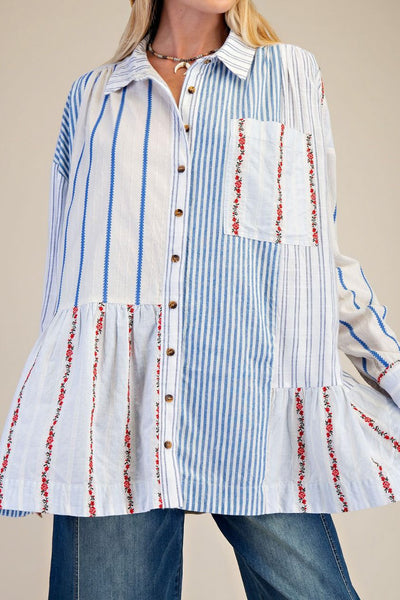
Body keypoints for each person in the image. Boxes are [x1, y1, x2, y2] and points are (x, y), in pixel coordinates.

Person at [2, 0, 400, 596]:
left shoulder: (290, 75)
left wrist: (388, 366)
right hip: (113, 420)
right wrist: (56, 417)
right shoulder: (93, 97)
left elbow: (318, 257)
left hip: (253, 406)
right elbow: (66, 281)